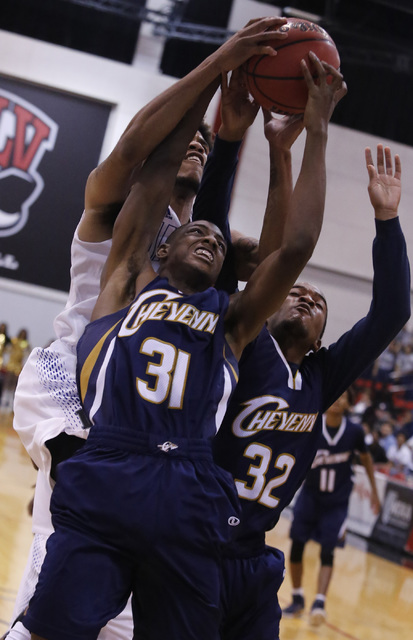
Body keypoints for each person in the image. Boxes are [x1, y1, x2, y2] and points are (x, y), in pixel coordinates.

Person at [20, 39, 344, 640]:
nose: (194, 141)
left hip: (177, 455)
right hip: (77, 395)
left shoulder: (206, 248)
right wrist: (219, 72)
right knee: (61, 608)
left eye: (203, 138)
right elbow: (143, 148)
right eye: (184, 136)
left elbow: (281, 255)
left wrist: (279, 146)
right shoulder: (125, 219)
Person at [212, 143, 410, 640]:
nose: (305, 296)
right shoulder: (244, 344)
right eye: (294, 292)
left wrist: (387, 220)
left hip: (253, 556)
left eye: (318, 301)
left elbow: (392, 311)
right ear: (266, 305)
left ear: (322, 337)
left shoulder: (323, 376)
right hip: (195, 541)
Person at [284, 388, 381, 627]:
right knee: (296, 545)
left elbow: (367, 460)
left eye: (343, 397)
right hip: (309, 497)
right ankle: (297, 597)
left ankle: (319, 602)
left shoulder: (355, 432)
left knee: (328, 550)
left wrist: (375, 494)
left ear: (349, 404)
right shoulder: (314, 424)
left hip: (336, 503)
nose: (338, 400)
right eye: (335, 395)